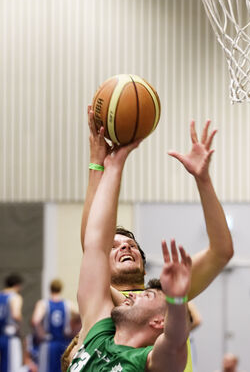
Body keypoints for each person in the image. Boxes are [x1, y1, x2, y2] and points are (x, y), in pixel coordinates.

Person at [62, 109, 234, 370]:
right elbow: (93, 242)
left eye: (131, 244)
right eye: (116, 246)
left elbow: (220, 251)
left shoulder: (167, 297)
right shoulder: (103, 309)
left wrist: (204, 181)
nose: (126, 246)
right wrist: (100, 165)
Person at [67, 138, 193, 371]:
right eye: (114, 246)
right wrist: (114, 166)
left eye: (146, 296)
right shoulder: (97, 333)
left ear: (159, 321)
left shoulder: (149, 362)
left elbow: (175, 343)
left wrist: (177, 299)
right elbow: (94, 244)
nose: (133, 296)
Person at [31, 279, 79, 372]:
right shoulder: (68, 304)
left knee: (47, 369)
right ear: (61, 289)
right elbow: (80, 317)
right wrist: (72, 333)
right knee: (63, 369)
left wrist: (41, 335)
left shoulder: (43, 304)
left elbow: (35, 320)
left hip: (49, 343)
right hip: (64, 343)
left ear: (50, 289)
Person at [0, 273, 24, 372]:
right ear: (17, 285)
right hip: (10, 337)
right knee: (12, 368)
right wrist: (20, 323)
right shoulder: (15, 297)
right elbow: (15, 314)